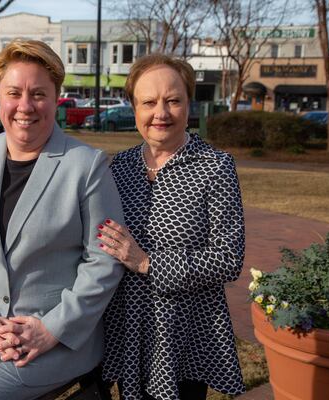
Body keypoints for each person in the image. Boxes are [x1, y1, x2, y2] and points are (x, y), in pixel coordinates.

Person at [0, 40, 124, 400]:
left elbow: (103, 261)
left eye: (38, 94)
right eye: (13, 92)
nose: (25, 106)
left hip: (55, 340)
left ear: (56, 98)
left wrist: (51, 328)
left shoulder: (86, 166)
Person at [97, 54, 246, 400]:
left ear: (188, 104)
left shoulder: (215, 167)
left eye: (173, 100)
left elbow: (228, 257)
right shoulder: (120, 167)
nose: (160, 113)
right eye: (149, 102)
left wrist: (149, 263)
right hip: (128, 328)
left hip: (184, 334)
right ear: (134, 108)